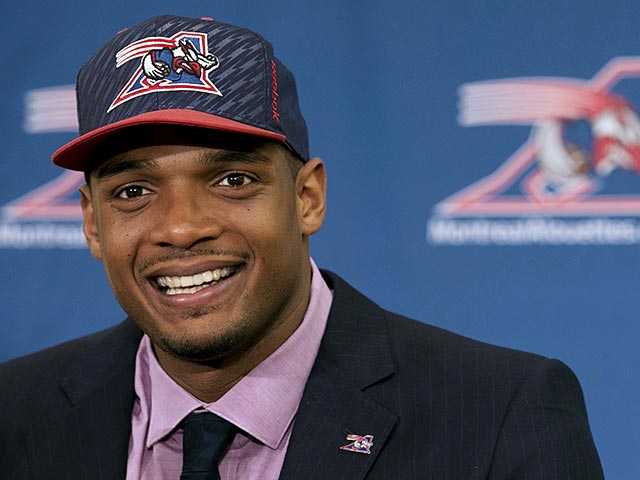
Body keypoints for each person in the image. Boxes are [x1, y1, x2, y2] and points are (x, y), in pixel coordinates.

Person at [0, 15, 604, 480]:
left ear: (307, 196)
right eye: (133, 190)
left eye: (233, 180)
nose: (180, 228)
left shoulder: (501, 413)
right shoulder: (15, 412)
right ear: (92, 223)